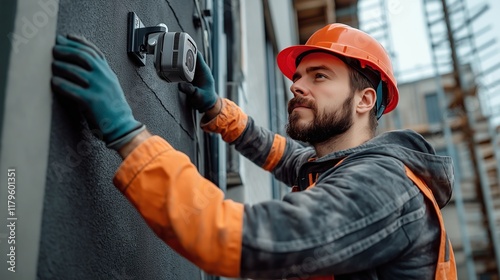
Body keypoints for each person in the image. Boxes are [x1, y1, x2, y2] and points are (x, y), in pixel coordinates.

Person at [51, 24, 457, 279]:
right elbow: (281, 155)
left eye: (319, 77)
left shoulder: (382, 188)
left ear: (364, 100)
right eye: (298, 76)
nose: (297, 85)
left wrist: (128, 135)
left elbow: (234, 236)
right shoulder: (334, 166)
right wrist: (216, 109)